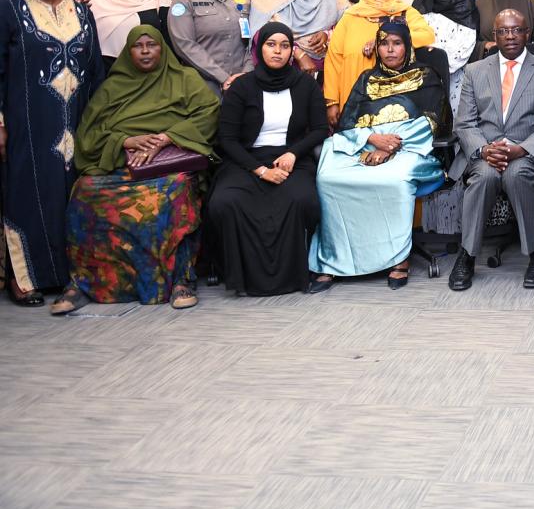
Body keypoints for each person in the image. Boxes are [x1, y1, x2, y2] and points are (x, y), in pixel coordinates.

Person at [54, 25, 219, 313]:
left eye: (151, 45)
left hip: (168, 167)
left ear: (162, 48)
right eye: (137, 46)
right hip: (118, 165)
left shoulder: (185, 79)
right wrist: (124, 141)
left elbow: (210, 113)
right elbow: (89, 134)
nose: (145, 51)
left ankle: (180, 281)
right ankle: (83, 284)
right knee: (84, 191)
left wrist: (168, 137)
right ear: (128, 52)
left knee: (175, 192)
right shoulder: (112, 87)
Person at [1, 0, 105, 306]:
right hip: (27, 120)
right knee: (26, 191)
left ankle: (67, 275)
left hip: (76, 121)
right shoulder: (9, 8)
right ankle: (24, 277)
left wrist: (98, 123)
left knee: (69, 194)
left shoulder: (82, 11)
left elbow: (95, 69)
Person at [308, 18, 446, 292]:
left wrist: (389, 146)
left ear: (408, 46)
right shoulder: (367, 79)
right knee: (329, 176)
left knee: (394, 179)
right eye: (384, 44)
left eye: (397, 43)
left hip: (410, 148)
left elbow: (433, 121)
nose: (390, 50)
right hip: (365, 145)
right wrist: (371, 140)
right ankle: (334, 259)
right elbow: (347, 123)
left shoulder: (426, 76)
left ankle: (399, 258)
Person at [446, 8, 534, 291]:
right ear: (494, 35)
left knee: (517, 175)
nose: (510, 36)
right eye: (503, 31)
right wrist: (483, 150)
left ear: (527, 34)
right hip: (485, 151)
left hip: (526, 151)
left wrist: (521, 150)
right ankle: (467, 255)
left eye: (516, 30)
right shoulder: (475, 71)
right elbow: (464, 123)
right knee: (484, 177)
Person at [208, 22, 326, 297]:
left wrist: (293, 153)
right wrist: (260, 170)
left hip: (291, 156)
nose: (277, 51)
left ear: (291, 51)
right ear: (260, 49)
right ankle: (240, 275)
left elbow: (320, 129)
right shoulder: (241, 86)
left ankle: (295, 274)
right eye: (271, 44)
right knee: (225, 202)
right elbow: (227, 139)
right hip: (247, 159)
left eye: (284, 46)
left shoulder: (306, 85)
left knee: (301, 200)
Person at [324, 0, 436, 124]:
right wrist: (332, 102)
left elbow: (426, 35)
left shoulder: (403, 12)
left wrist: (383, 39)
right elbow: (334, 60)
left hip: (392, 101)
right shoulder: (351, 16)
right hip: (351, 98)